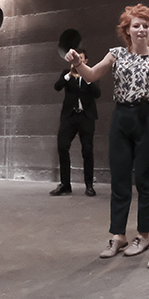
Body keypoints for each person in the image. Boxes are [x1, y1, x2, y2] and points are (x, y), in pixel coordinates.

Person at [66, 5, 149, 259]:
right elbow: (90, 76)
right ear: (127, 30)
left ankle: (143, 236)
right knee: (120, 179)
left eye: (146, 25)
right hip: (122, 117)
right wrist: (78, 64)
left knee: (145, 181)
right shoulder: (116, 54)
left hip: (148, 117)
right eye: (136, 25)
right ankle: (118, 236)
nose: (142, 29)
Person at [51, 51, 102, 198]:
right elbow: (57, 87)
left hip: (86, 118)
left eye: (80, 58)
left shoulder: (92, 73)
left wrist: (87, 77)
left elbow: (97, 93)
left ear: (86, 60)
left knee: (87, 150)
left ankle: (89, 186)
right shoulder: (67, 73)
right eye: (75, 59)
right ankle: (65, 185)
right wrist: (68, 75)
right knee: (62, 146)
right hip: (69, 117)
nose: (78, 61)